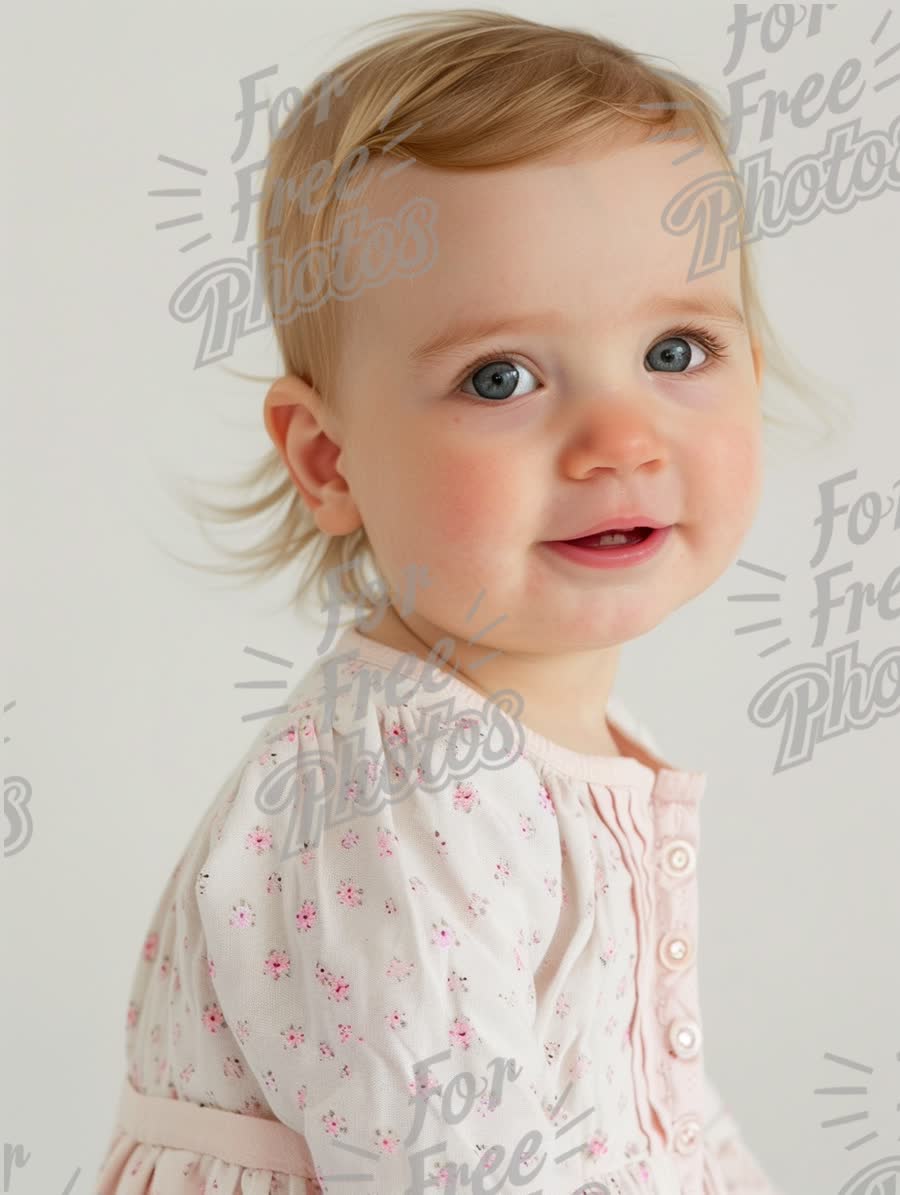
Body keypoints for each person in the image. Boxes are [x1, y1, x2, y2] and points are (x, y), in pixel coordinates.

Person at [95, 8, 822, 1192]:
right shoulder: (398, 796)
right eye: (503, 376)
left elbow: (652, 1118)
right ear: (330, 460)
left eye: (678, 351)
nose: (619, 439)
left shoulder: (535, 745)